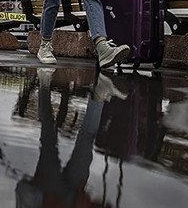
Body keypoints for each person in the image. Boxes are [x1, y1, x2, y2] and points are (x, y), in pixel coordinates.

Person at [14, 69, 127, 208]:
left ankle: (44, 84)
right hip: (72, 196)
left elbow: (23, 192)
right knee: (68, 138)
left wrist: (46, 201)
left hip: (49, 193)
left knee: (49, 137)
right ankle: (99, 93)